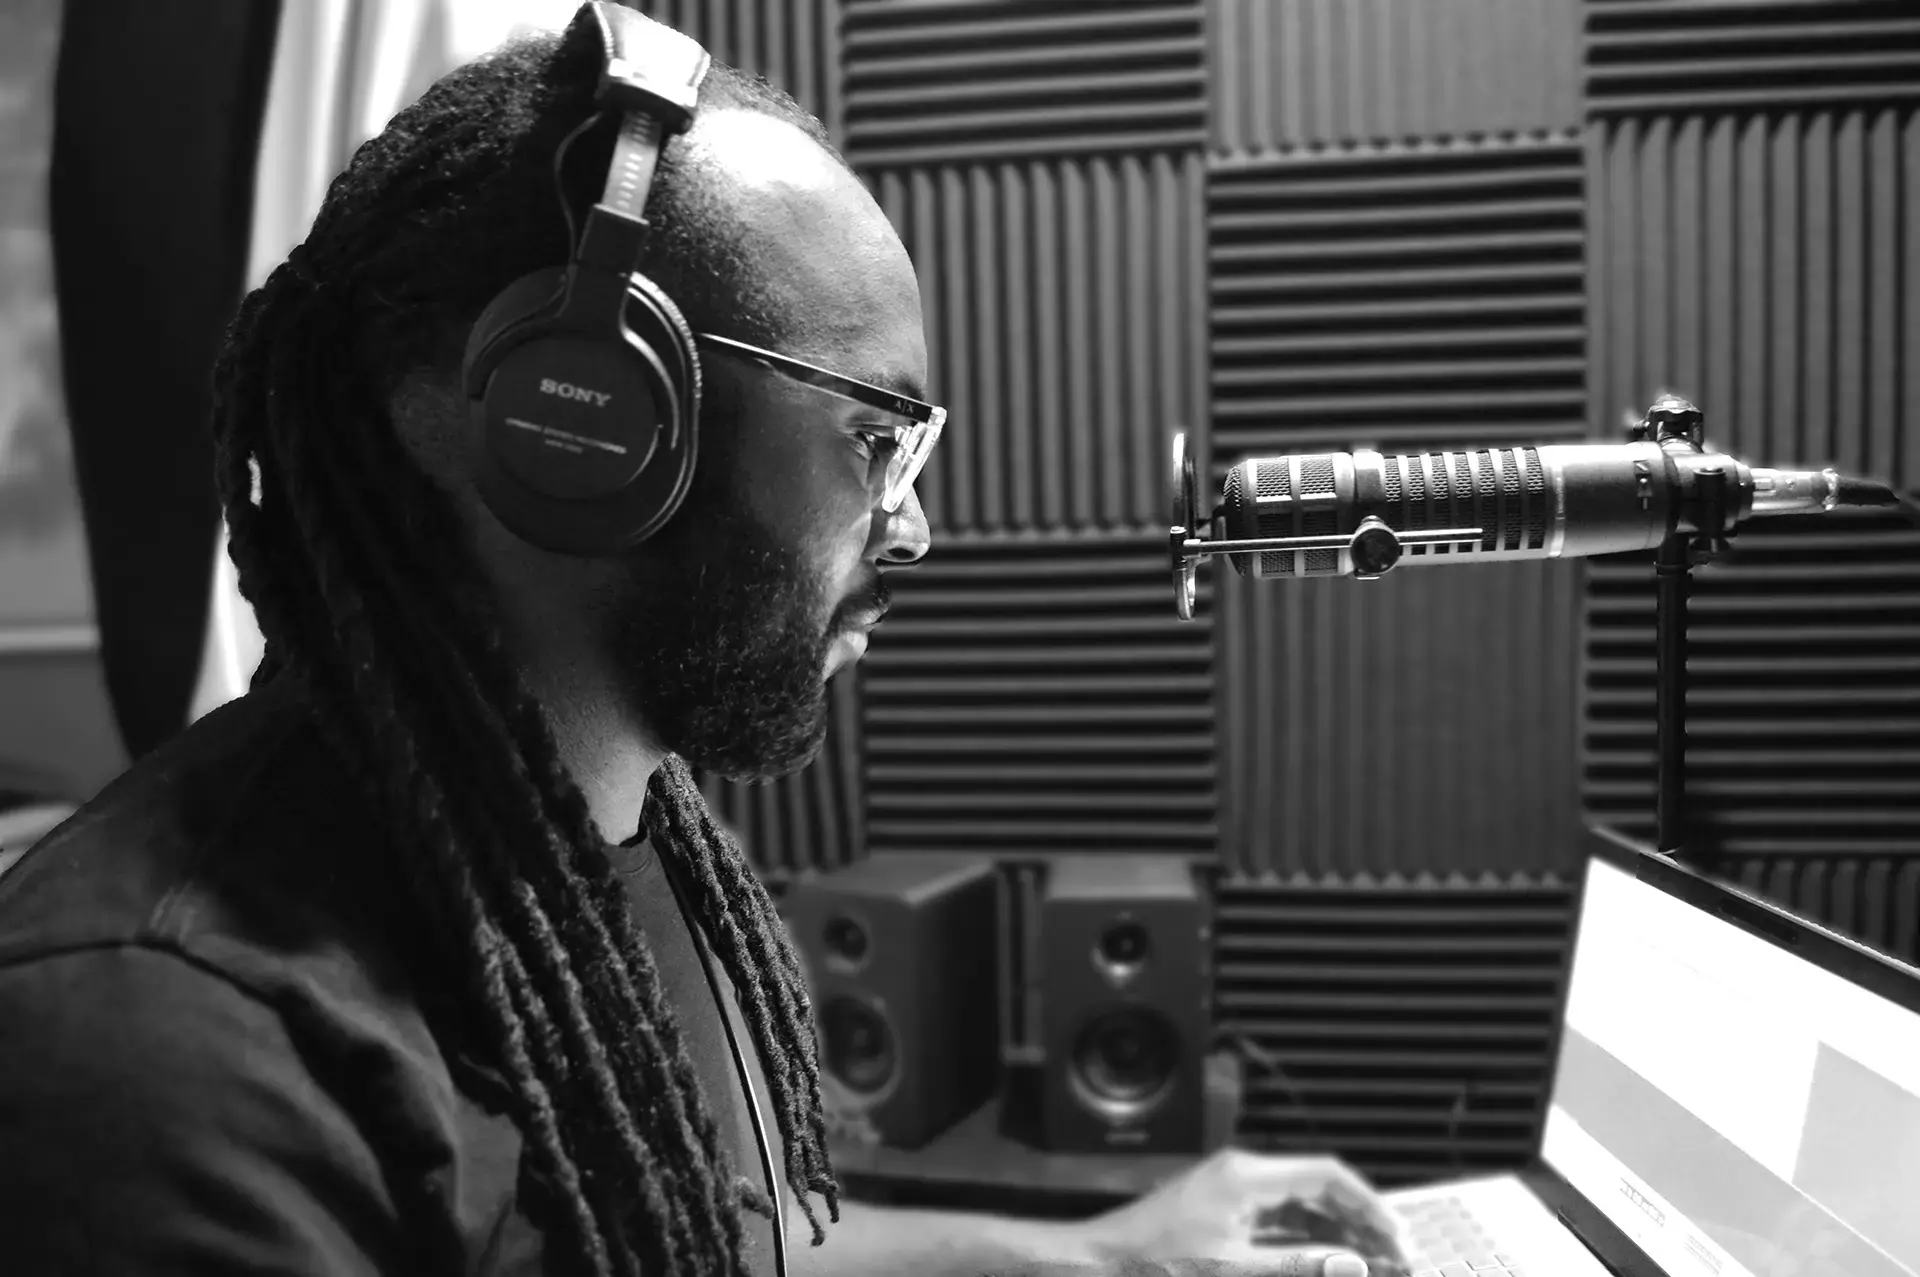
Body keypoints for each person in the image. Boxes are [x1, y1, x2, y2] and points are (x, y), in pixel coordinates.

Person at [0, 9, 1405, 1276]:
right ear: (591, 426)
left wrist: (1099, 1258)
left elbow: (697, 1241)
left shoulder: (602, 839)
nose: (915, 533)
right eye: (873, 441)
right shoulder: (161, 1062)